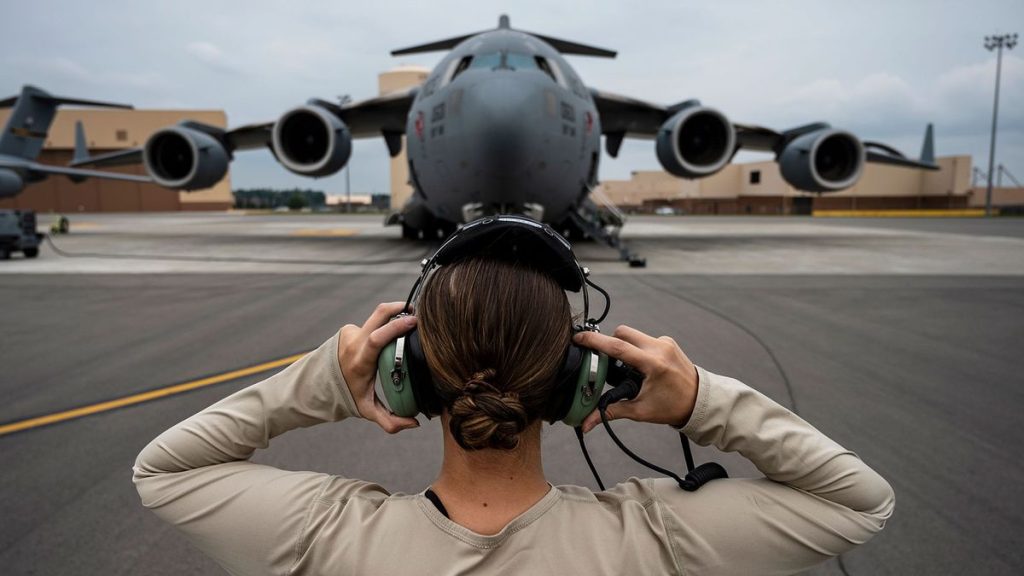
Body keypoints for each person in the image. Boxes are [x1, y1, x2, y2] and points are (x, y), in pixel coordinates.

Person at [133, 224, 894, 575]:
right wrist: (700, 400)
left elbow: (164, 472)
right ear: (578, 380)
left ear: (410, 371)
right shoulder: (655, 545)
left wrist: (328, 378)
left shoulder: (328, 542)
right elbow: (858, 503)